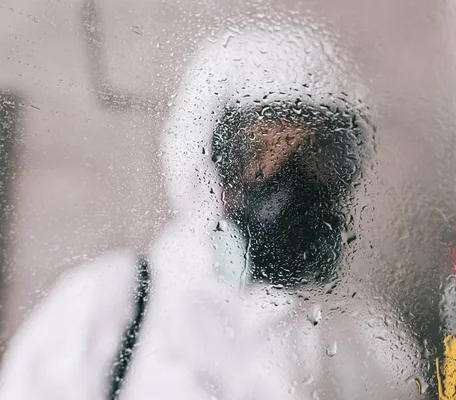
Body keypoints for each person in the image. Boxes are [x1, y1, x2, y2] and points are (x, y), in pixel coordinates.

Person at [0, 24, 420, 400]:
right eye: (261, 153)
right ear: (204, 160)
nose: (291, 184)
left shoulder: (374, 342)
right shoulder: (113, 306)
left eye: (317, 156)